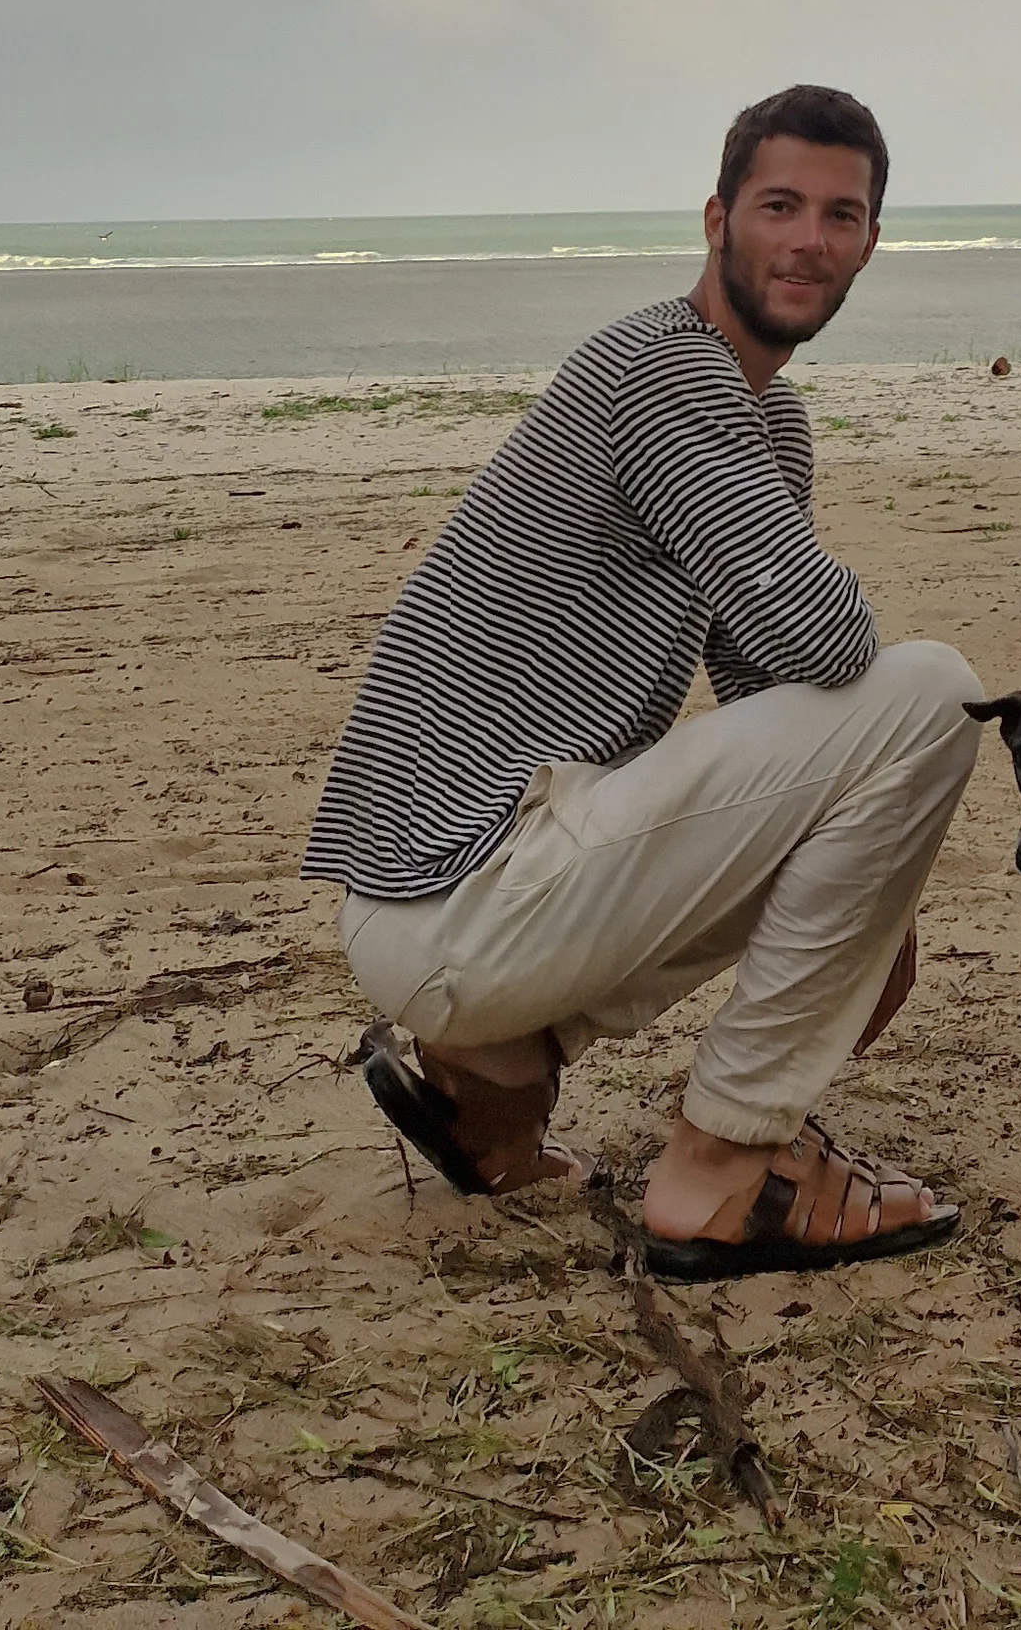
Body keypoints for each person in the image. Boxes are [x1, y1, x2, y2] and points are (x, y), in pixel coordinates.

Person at [304, 83, 980, 1278]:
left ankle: (495, 1081)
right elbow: (827, 650)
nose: (808, 239)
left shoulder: (764, 425)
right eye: (780, 204)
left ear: (871, 241)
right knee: (931, 693)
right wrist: (869, 815)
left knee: (881, 761)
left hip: (456, 893)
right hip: (463, 887)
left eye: (840, 214)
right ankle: (722, 1168)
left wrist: (868, 891)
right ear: (717, 217)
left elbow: (769, 684)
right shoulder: (669, 376)